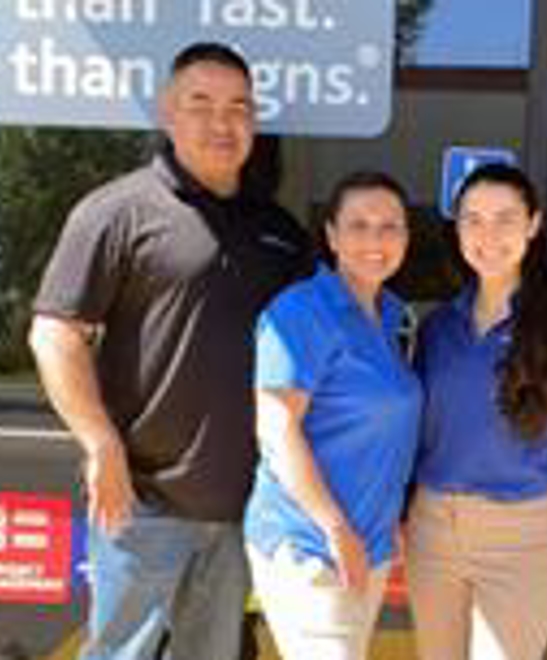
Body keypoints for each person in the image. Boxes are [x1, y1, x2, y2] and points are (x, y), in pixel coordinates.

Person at [28, 42, 311, 660]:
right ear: (167, 113)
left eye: (238, 107)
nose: (222, 122)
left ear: (254, 120)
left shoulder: (280, 233)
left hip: (243, 508)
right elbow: (54, 333)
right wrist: (99, 442)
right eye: (201, 103)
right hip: (142, 503)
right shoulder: (118, 212)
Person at [407, 163, 547, 660]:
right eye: (472, 219)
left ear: (533, 225)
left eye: (504, 219)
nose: (487, 234)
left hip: (521, 534)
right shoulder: (437, 326)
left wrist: (530, 516)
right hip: (433, 529)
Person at [242, 171, 422, 659]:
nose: (375, 240)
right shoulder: (302, 311)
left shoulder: (394, 317)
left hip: (368, 546)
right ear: (331, 236)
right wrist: (334, 529)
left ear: (406, 237)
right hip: (311, 546)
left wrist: (389, 522)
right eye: (359, 225)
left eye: (390, 227)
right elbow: (277, 428)